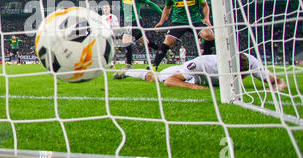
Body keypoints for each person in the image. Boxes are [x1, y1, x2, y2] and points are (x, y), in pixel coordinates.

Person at [113, 53, 287, 92]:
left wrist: (278, 87)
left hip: (200, 78)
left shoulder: (251, 62)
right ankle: (126, 72)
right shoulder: (205, 63)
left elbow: (277, 81)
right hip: (190, 73)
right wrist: (193, 87)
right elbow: (171, 82)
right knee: (156, 78)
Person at [152, 0, 215, 71]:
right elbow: (167, 8)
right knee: (168, 41)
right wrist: (161, 21)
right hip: (178, 21)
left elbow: (205, 5)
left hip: (195, 20)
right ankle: (154, 66)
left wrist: (206, 18)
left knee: (209, 35)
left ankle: (206, 61)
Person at [101, 0, 162, 69]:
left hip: (136, 21)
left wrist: (162, 13)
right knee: (145, 42)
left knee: (125, 41)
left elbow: (151, 4)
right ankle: (162, 50)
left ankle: (128, 64)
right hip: (128, 22)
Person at [101, 3, 120, 69]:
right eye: (104, 8)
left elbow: (117, 27)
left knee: (109, 49)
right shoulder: (101, 17)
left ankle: (111, 64)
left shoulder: (113, 17)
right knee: (103, 50)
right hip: (102, 35)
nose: (105, 9)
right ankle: (106, 64)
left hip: (110, 35)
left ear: (110, 9)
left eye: (107, 7)